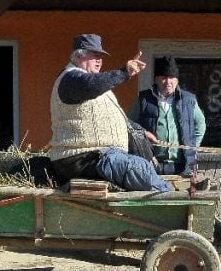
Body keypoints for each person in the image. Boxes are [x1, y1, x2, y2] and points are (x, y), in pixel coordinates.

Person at [47, 34, 172, 192]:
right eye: (95, 55)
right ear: (78, 55)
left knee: (145, 166)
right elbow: (92, 86)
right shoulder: (71, 78)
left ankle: (166, 192)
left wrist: (141, 131)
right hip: (82, 158)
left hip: (99, 156)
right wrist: (124, 72)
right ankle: (172, 199)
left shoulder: (89, 81)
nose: (99, 60)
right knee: (139, 168)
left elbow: (111, 115)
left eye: (101, 56)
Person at [129, 56, 206, 177]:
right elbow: (129, 124)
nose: (168, 82)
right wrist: (142, 136)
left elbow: (200, 124)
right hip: (151, 164)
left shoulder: (188, 100)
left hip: (183, 165)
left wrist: (192, 146)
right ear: (156, 79)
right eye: (164, 78)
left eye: (171, 78)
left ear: (177, 80)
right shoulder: (143, 99)